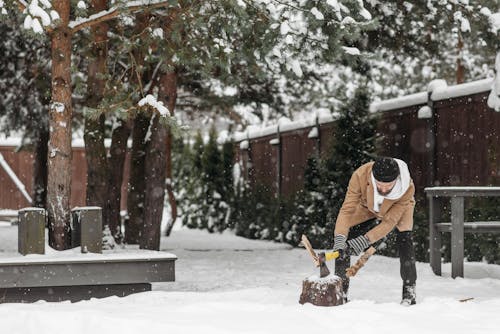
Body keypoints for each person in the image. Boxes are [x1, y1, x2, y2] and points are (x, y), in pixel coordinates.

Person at [332, 157, 417, 305]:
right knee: (343, 242)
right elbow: (347, 210)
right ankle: (340, 292)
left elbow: (389, 222)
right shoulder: (360, 175)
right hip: (367, 205)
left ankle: (409, 290)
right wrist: (339, 240)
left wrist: (364, 240)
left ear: (396, 180)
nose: (383, 190)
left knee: (405, 238)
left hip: (398, 209)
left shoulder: (407, 187)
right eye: (379, 185)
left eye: (388, 186)